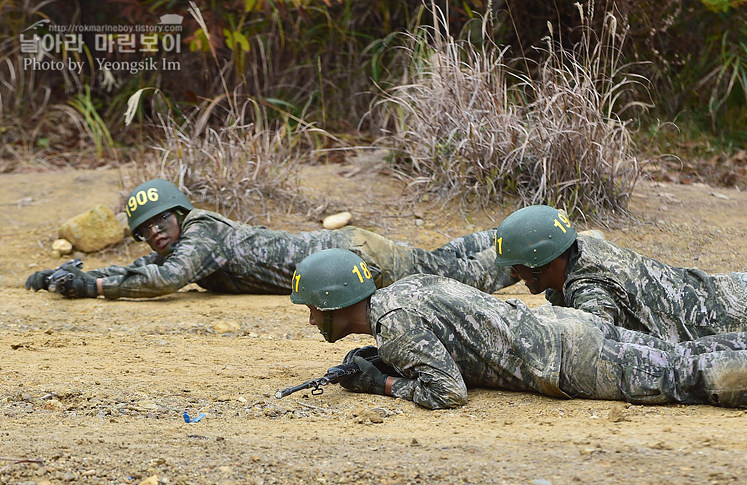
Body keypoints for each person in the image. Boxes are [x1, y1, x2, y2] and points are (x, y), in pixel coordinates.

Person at [289, 248, 747, 410]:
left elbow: (447, 394)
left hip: (565, 358)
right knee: (687, 356)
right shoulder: (404, 293)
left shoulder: (395, 323)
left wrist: (381, 382)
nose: (311, 318)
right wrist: (391, 356)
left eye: (313, 307)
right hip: (565, 330)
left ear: (334, 302)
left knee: (683, 377)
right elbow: (451, 330)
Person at [24, 179, 514, 299]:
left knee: (462, 276)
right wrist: (74, 275)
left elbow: (167, 279)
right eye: (145, 231)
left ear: (179, 213)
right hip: (347, 254)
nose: (154, 234)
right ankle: (510, 235)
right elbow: (149, 270)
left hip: (350, 257)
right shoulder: (189, 239)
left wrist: (94, 288)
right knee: (442, 259)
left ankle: (536, 251)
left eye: (159, 222)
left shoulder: (201, 232)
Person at [493, 205, 747, 342]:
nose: (516, 274)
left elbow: (591, 340)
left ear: (541, 261)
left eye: (517, 266)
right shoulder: (582, 248)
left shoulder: (590, 287)